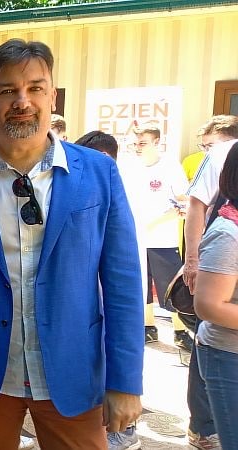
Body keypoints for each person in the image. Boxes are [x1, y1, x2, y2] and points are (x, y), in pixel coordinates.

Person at [0, 39, 144, 450]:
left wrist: (125, 380)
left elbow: (123, 284)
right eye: (7, 90)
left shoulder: (98, 173)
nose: (22, 101)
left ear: (52, 96)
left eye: (34, 88)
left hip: (73, 368)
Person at [76, 131, 143, 450]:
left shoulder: (107, 179)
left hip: (83, 361)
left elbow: (124, 288)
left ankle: (123, 433)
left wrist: (125, 382)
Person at [182, 115, 238, 450]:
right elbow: (209, 306)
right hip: (227, 351)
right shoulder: (228, 232)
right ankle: (202, 428)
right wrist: (192, 259)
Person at [124, 122, 191, 349]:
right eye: (135, 143)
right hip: (134, 238)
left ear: (157, 142)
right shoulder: (128, 166)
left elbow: (183, 201)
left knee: (171, 287)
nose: (137, 148)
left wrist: (159, 220)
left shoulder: (170, 166)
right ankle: (148, 327)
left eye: (142, 143)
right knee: (141, 285)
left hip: (163, 238)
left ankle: (180, 331)